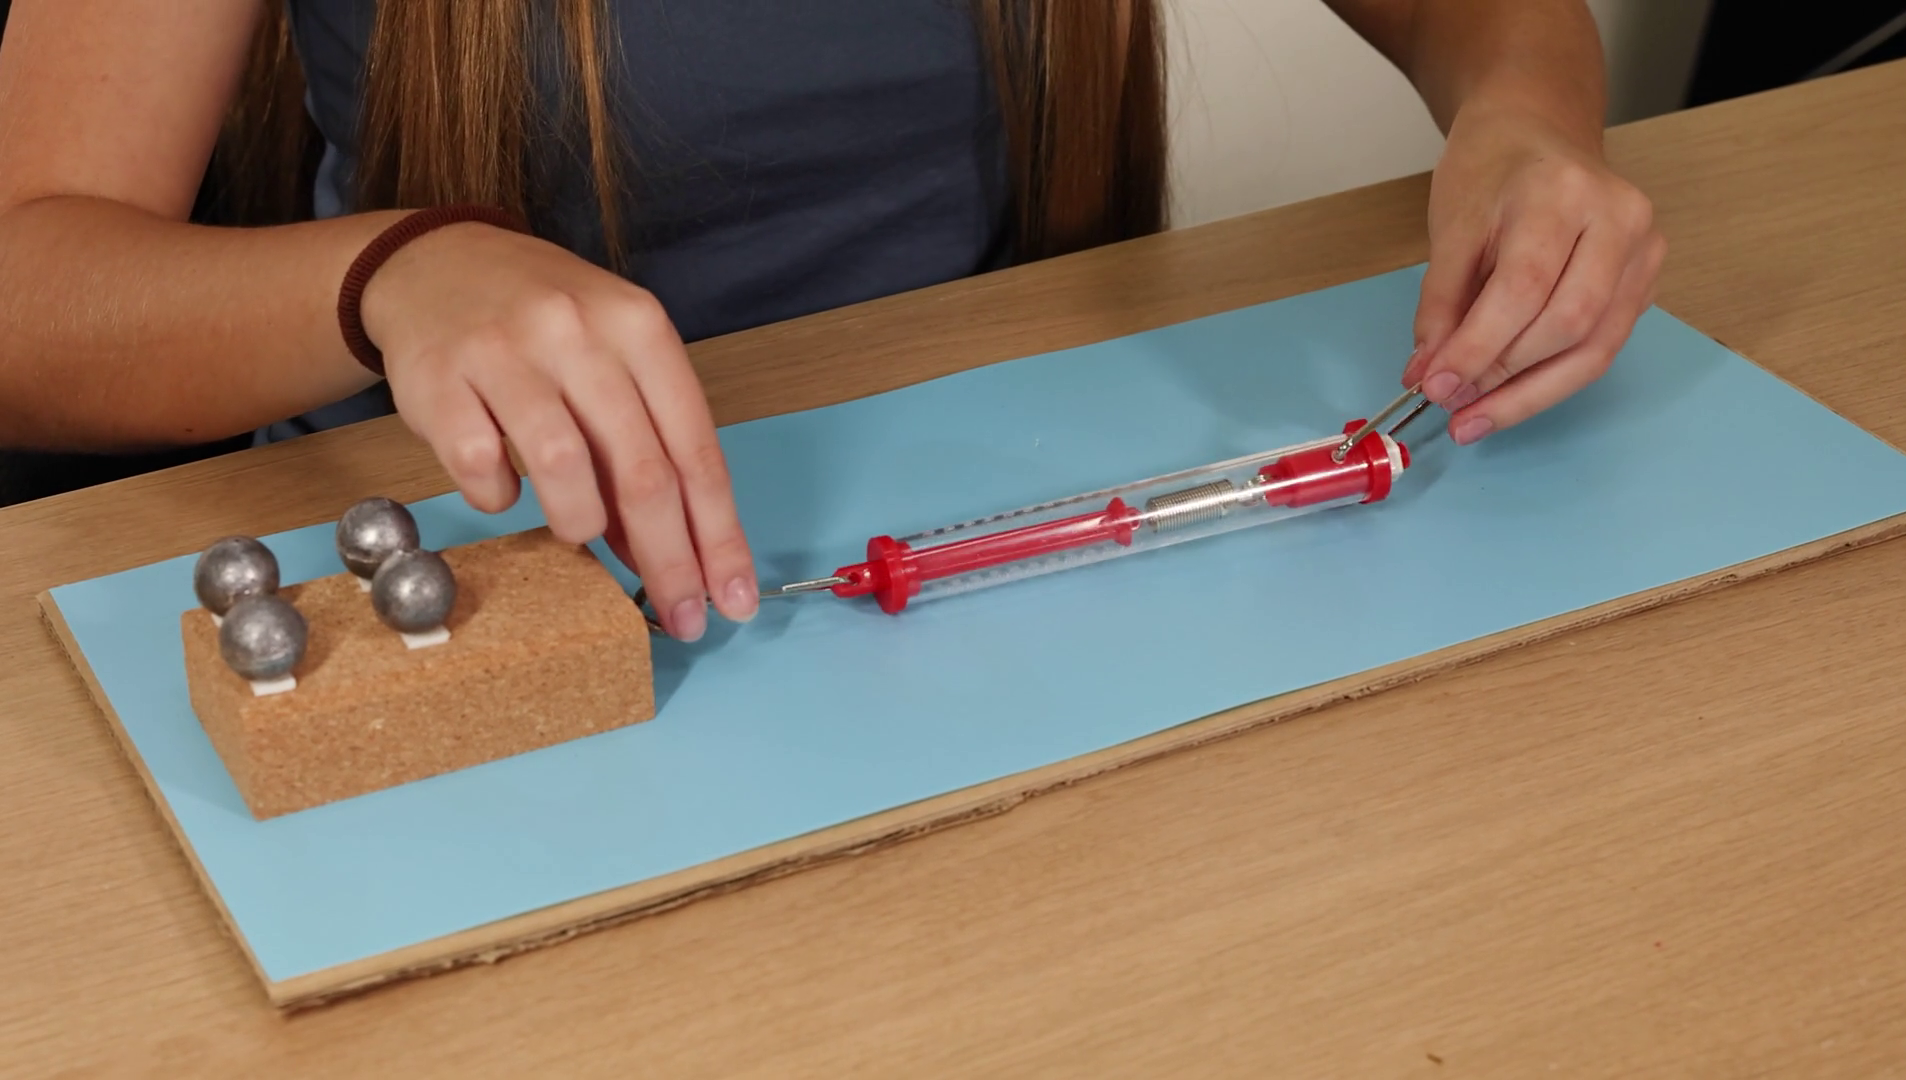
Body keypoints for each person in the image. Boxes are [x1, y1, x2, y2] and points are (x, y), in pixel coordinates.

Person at [0, 0, 1663, 641]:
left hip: (987, 582)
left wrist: (1525, 114)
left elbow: (1486, 21)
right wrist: (394, 273)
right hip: (487, 557)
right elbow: (29, 290)